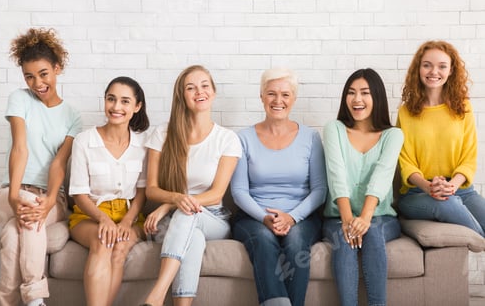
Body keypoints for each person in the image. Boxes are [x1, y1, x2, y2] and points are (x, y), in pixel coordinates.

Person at [0, 28, 83, 306]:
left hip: (50, 197)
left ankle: (9, 302)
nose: (37, 83)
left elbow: (59, 162)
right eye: (29, 76)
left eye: (43, 73)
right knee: (28, 212)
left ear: (57, 68)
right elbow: (20, 147)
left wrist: (51, 199)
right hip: (11, 192)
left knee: (12, 235)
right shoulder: (20, 99)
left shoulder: (72, 116)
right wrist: (14, 193)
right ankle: (34, 299)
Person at [140, 65, 242, 306]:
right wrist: (175, 201)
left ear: (213, 92)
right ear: (182, 96)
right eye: (191, 87)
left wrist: (169, 205)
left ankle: (156, 295)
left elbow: (217, 193)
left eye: (205, 85)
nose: (199, 91)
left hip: (213, 219)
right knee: (192, 237)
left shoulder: (227, 139)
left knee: (188, 214)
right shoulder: (163, 134)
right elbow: (151, 189)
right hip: (174, 223)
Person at [230, 67, 328, 306]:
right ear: (261, 96)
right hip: (253, 218)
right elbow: (239, 191)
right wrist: (265, 218)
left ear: (293, 99)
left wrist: (292, 218)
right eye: (271, 93)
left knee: (295, 243)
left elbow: (319, 190)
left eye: (285, 94)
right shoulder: (243, 138)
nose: (278, 100)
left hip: (301, 218)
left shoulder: (311, 137)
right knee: (264, 240)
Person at [322, 68, 403, 306]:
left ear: (377, 97)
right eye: (351, 93)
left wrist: (365, 218)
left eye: (365, 93)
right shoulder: (334, 129)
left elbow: (382, 177)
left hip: (380, 217)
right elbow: (337, 176)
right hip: (338, 216)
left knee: (374, 232)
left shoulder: (393, 135)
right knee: (344, 237)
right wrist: (348, 220)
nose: (357, 99)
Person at [68, 76, 150, 306]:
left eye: (125, 101)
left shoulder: (143, 145)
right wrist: (103, 219)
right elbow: (79, 194)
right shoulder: (84, 141)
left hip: (129, 215)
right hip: (89, 215)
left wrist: (126, 222)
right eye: (111, 99)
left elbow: (142, 192)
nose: (116, 107)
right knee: (104, 242)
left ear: (137, 107)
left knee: (120, 247)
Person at [397, 40, 485, 236]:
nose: (433, 71)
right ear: (418, 68)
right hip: (417, 193)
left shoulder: (463, 107)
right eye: (427, 65)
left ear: (451, 70)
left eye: (442, 66)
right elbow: (406, 162)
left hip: (461, 189)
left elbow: (469, 158)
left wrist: (452, 185)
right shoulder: (406, 112)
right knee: (448, 204)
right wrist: (429, 187)